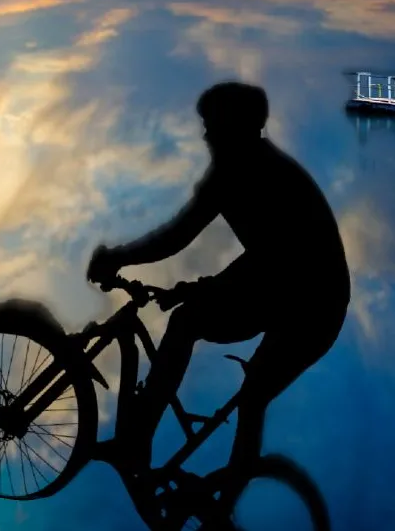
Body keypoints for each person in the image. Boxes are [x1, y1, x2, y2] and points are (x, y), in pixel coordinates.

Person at [87, 81, 351, 476]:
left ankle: (141, 448)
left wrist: (118, 258)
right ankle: (191, 473)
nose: (206, 134)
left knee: (223, 362)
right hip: (296, 292)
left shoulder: (242, 171)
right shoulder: (254, 165)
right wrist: (199, 287)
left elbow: (181, 237)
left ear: (235, 127)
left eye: (212, 124)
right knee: (245, 386)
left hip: (312, 307)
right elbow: (268, 258)